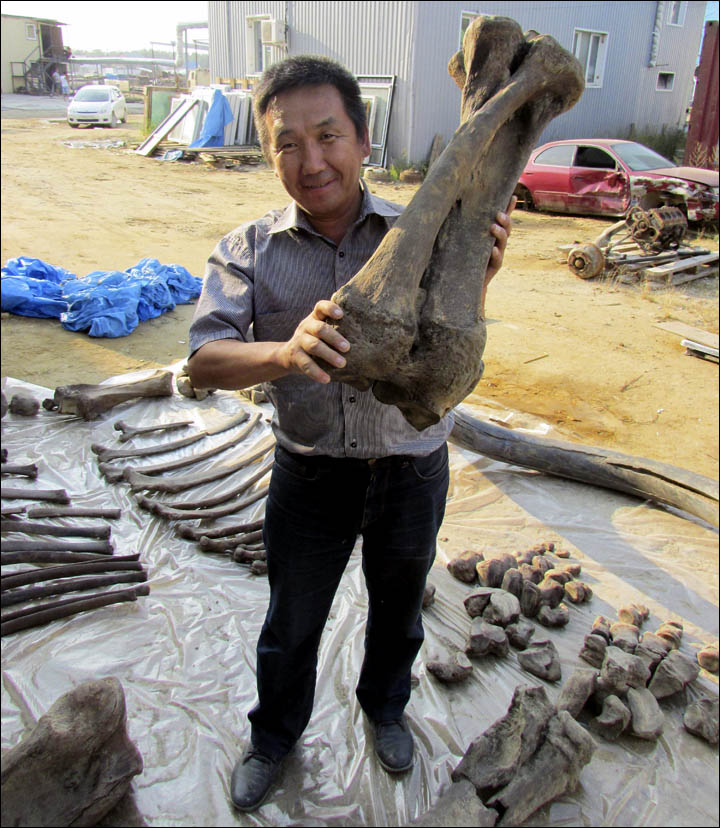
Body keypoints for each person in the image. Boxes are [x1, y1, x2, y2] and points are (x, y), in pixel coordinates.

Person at [186, 55, 514, 813]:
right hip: (310, 475)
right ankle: (274, 737)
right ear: (269, 155)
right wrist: (284, 352)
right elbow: (204, 360)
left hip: (411, 468)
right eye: (287, 144)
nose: (311, 161)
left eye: (328, 135)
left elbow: (447, 356)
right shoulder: (249, 250)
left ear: (365, 141)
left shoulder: (424, 233)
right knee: (292, 619)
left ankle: (386, 709)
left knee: (400, 609)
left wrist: (479, 276)